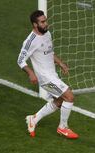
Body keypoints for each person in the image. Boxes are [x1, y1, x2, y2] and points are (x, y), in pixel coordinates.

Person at [17, 10, 78, 139]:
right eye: (43, 22)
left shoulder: (47, 34)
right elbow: (20, 60)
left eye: (46, 20)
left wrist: (60, 63)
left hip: (52, 75)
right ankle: (62, 127)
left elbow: (49, 52)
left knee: (60, 100)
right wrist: (31, 73)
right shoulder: (30, 41)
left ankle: (34, 119)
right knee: (69, 97)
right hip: (45, 78)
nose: (46, 24)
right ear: (35, 24)